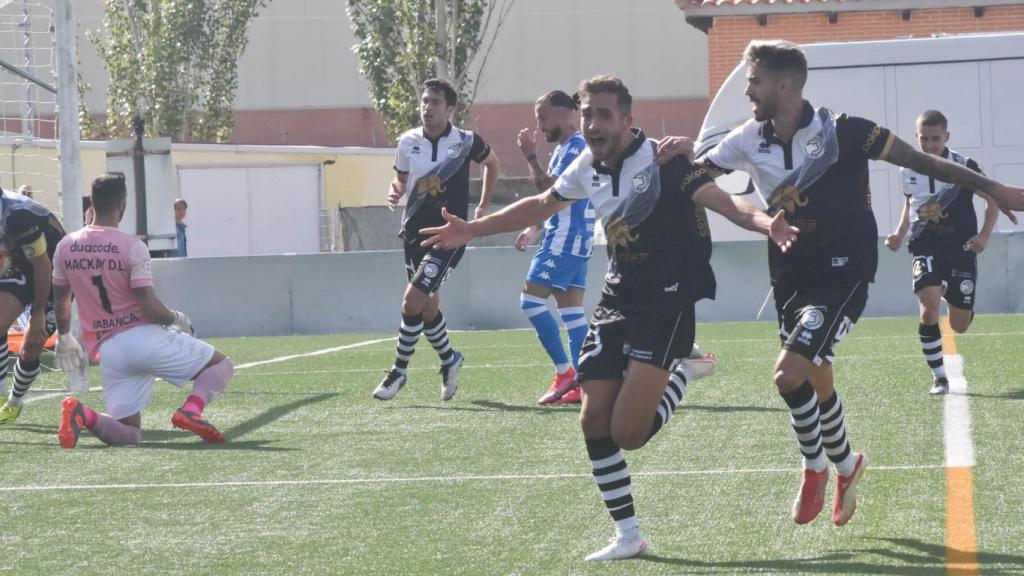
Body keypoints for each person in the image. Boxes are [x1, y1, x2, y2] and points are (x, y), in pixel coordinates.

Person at [422, 75, 798, 561]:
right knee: (592, 417)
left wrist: (767, 221)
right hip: (618, 297)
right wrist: (472, 228)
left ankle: (686, 370)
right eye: (588, 115)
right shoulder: (585, 166)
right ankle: (628, 536)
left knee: (629, 434)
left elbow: (728, 204)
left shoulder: (666, 163)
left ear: (627, 121)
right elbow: (540, 204)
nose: (593, 124)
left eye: (604, 115)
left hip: (668, 299)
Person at [685, 40, 1022, 528]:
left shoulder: (848, 131)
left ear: (783, 85)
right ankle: (848, 466)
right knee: (817, 377)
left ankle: (814, 467)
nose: (749, 92)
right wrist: (677, 158)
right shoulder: (745, 138)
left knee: (788, 375)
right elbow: (698, 176)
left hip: (845, 269)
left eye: (753, 82)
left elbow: (921, 162)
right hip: (789, 272)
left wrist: (990, 186)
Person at [52, 173, 235, 448]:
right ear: (122, 206)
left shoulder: (65, 246)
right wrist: (176, 318)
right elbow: (149, 305)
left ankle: (84, 414)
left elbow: (62, 298)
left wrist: (64, 335)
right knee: (221, 365)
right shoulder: (132, 246)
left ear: (92, 203)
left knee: (129, 434)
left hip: (109, 350)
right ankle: (190, 411)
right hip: (142, 337)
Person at [372, 78, 500, 402]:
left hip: (449, 236)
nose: (427, 108)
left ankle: (398, 371)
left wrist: (483, 204)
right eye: (425, 101)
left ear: (451, 109)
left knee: (411, 301)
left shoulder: (467, 141)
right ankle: (449, 359)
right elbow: (401, 179)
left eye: (435, 103)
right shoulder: (407, 141)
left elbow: (492, 164)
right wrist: (395, 190)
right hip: (414, 234)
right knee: (427, 308)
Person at [885, 110, 999, 395]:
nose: (930, 144)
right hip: (925, 245)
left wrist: (984, 235)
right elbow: (910, 204)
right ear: (916, 137)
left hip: (961, 249)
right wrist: (900, 233)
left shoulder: (965, 166)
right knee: (928, 307)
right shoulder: (906, 167)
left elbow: (993, 198)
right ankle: (939, 377)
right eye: (924, 139)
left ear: (946, 137)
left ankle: (951, 293)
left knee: (959, 326)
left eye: (936, 139)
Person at [514, 90, 592, 405]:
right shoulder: (566, 149)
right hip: (572, 240)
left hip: (565, 242)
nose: (540, 127)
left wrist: (530, 157)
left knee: (530, 302)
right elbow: (556, 203)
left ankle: (565, 372)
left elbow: (549, 193)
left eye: (543, 119)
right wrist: (534, 228)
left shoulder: (576, 149)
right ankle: (587, 381)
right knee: (572, 315)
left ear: (564, 115)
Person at [0, 190, 65, 424]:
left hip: (54, 271)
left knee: (32, 345)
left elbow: (43, 266)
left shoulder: (19, 215)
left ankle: (15, 401)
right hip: (17, 262)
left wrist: (37, 314)